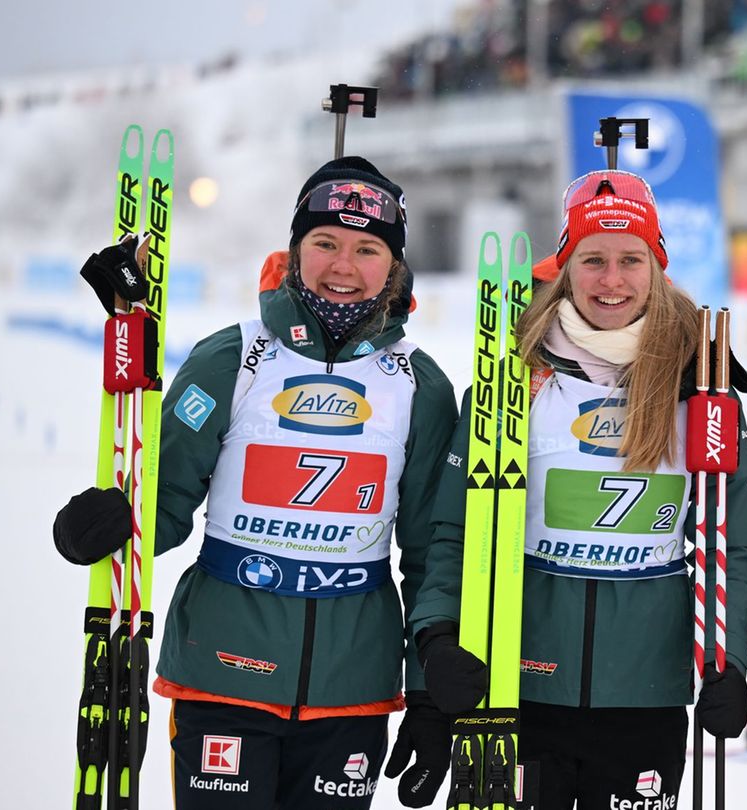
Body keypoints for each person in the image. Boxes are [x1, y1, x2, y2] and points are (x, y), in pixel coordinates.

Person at [52, 156, 458, 809]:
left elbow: (436, 547)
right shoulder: (232, 358)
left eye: (367, 249)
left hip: (349, 687)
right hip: (222, 670)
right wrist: (102, 524)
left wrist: (429, 686)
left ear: (395, 266)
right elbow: (162, 501)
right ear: (295, 250)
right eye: (324, 243)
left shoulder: (420, 385)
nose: (343, 266)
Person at [409, 168, 747, 808]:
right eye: (592, 259)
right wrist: (437, 638)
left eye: (631, 260)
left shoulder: (703, 394)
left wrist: (728, 662)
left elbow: (732, 547)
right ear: (566, 267)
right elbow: (455, 532)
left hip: (645, 694)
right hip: (519, 680)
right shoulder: (510, 383)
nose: (612, 280)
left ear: (657, 268)